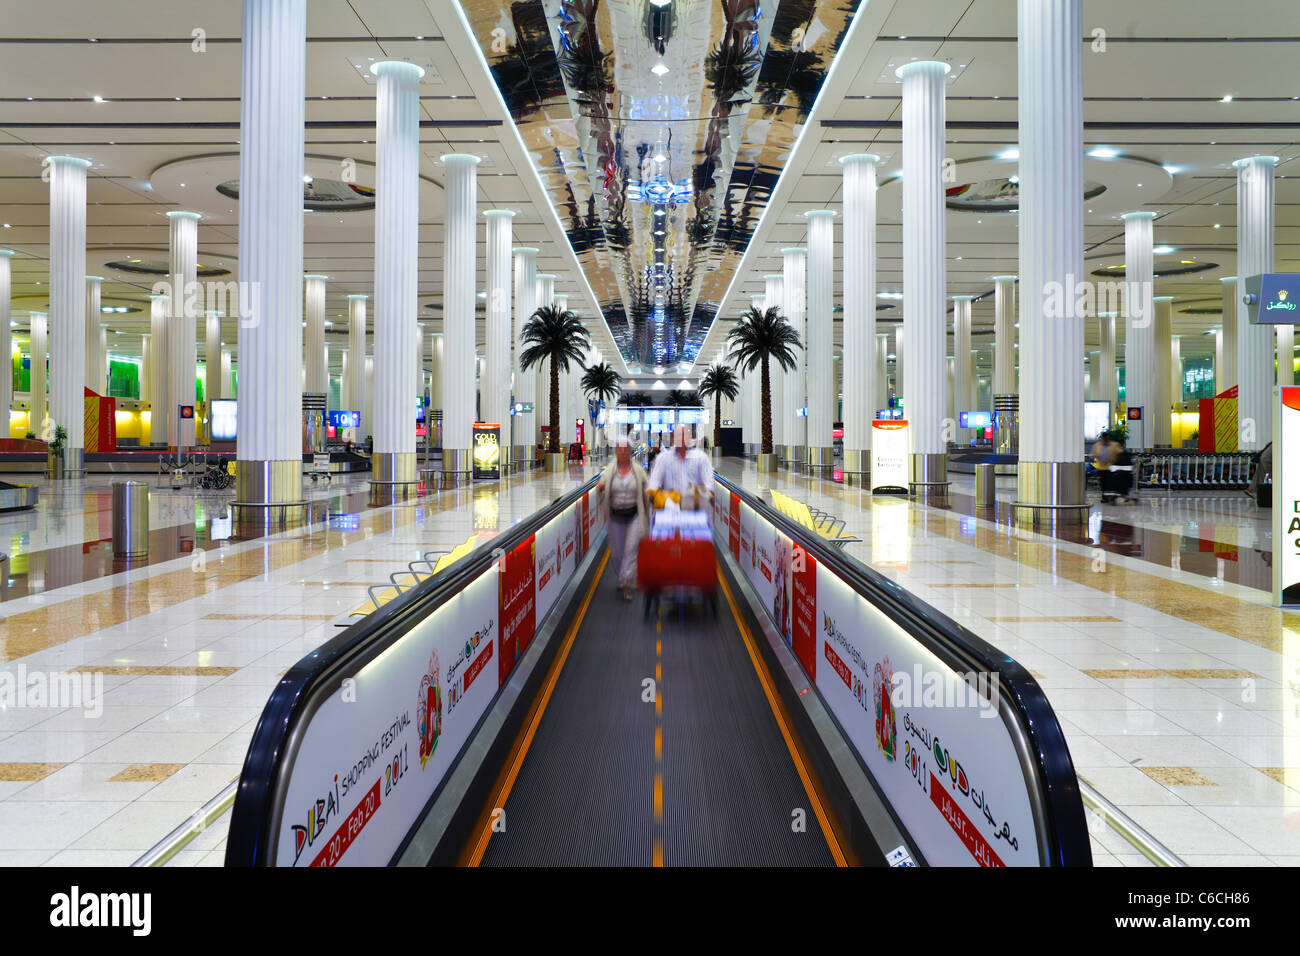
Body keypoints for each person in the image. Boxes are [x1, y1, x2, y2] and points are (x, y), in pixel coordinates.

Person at [597, 436, 649, 600]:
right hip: (615, 516)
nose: (622, 451)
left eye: (625, 448)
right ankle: (623, 577)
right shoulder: (610, 471)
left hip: (634, 515)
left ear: (630, 451)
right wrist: (601, 489)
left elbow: (646, 493)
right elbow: (601, 490)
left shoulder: (638, 470)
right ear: (615, 451)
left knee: (631, 550)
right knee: (617, 553)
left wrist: (650, 513)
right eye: (619, 448)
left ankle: (626, 582)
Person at [647, 424, 713, 512]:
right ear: (673, 438)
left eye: (684, 435)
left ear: (690, 437)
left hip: (695, 513)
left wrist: (699, 496)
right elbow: (654, 484)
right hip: (669, 512)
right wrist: (660, 498)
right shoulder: (663, 458)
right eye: (678, 435)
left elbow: (709, 485)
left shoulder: (701, 458)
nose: (681, 438)